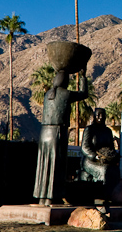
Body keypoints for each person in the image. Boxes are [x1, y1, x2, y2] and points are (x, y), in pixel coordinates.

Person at [33, 71, 88, 205]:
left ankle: (42, 197)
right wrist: (82, 77)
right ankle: (54, 196)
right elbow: (84, 94)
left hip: (44, 132)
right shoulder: (66, 94)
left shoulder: (48, 95)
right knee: (57, 164)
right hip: (57, 131)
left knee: (44, 164)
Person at [81, 107, 120, 199]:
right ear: (94, 116)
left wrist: (113, 156)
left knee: (115, 170)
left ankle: (112, 196)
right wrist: (95, 156)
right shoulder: (89, 130)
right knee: (104, 170)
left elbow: (111, 147)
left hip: (105, 159)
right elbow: (84, 147)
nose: (101, 117)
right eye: (98, 115)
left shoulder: (108, 131)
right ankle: (101, 196)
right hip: (90, 160)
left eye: (103, 115)